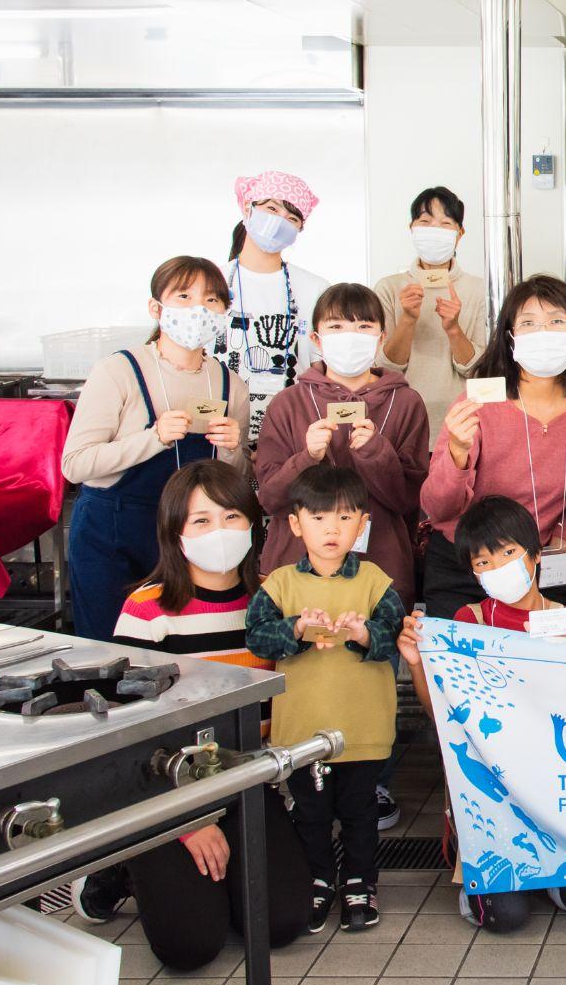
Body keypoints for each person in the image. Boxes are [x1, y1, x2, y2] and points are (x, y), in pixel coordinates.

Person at [91, 461, 309, 966]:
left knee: (281, 922)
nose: (220, 532)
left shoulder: (271, 600)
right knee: (190, 947)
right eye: (202, 521)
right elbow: (127, 730)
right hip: (169, 789)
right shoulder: (149, 611)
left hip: (247, 781)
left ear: (253, 524)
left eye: (232, 517)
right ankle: (117, 867)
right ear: (176, 532)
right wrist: (189, 823)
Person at [397, 495, 566, 932]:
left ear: (535, 555)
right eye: (483, 562)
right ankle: (486, 881)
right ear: (472, 572)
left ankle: (548, 874)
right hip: (494, 792)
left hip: (557, 787)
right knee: (507, 918)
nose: (498, 567)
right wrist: (417, 664)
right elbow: (442, 715)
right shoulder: (467, 622)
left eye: (509, 553)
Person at [243, 465, 405, 934]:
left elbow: (394, 636)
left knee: (360, 815)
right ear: (295, 524)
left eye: (344, 517)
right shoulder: (279, 584)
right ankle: (316, 879)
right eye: (318, 518)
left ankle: (360, 882)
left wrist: (364, 634)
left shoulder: (376, 580)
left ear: (363, 523)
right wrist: (295, 629)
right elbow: (256, 638)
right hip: (302, 732)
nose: (331, 529)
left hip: (363, 730)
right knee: (310, 815)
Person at [62, 255, 246, 642]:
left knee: (184, 652)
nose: (199, 309)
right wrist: (154, 438)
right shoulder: (119, 371)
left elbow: (236, 480)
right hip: (114, 537)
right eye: (184, 296)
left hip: (188, 545)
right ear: (156, 308)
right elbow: (75, 465)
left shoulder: (230, 385)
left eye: (212, 300)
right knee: (111, 652)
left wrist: (232, 451)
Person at [421, 276, 566, 619]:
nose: (543, 333)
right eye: (528, 323)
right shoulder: (478, 400)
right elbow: (437, 508)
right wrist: (457, 453)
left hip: (541, 565)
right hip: (469, 562)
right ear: (509, 337)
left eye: (556, 321)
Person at [255, 283, 430, 606]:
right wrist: (307, 457)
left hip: (380, 569)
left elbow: (409, 500)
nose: (350, 336)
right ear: (316, 338)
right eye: (336, 327)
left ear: (381, 337)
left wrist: (376, 453)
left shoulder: (406, 403)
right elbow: (270, 499)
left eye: (363, 327)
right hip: (297, 572)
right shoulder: (287, 403)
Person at [375, 186, 490, 449]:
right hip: (402, 420)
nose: (434, 231)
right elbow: (385, 368)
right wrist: (408, 319)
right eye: (425, 222)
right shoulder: (389, 288)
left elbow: (479, 370)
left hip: (460, 421)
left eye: (445, 223)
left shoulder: (478, 289)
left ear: (460, 234)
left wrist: (453, 329)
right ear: (412, 228)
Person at [218, 170, 328, 444]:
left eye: (292, 218)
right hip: (219, 429)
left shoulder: (314, 288)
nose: (280, 221)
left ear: (300, 230)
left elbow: (321, 367)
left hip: (291, 430)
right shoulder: (212, 281)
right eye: (271, 209)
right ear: (247, 207)